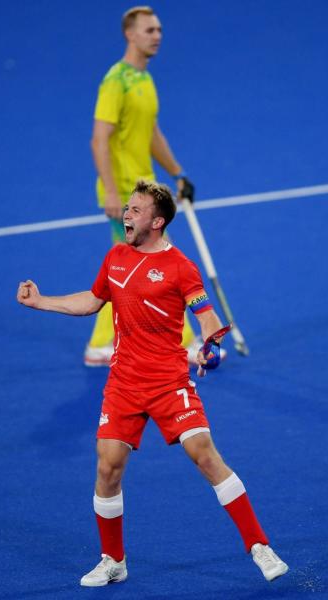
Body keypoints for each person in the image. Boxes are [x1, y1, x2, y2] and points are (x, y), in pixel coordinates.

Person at [17, 181, 288, 585]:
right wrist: (42, 301)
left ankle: (259, 547)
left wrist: (210, 346)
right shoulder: (115, 257)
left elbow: (208, 318)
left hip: (167, 381)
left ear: (157, 221)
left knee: (205, 456)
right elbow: (93, 301)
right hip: (123, 382)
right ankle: (114, 560)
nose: (126, 214)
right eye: (127, 208)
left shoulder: (181, 267)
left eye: (136, 210)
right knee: (108, 468)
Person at [84, 5, 203, 367]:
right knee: (160, 264)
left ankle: (102, 343)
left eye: (159, 30)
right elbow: (99, 139)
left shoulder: (144, 80)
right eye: (150, 30)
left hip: (143, 190)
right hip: (125, 194)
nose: (157, 36)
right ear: (130, 34)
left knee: (128, 268)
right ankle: (183, 343)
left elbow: (151, 134)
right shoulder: (115, 81)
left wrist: (177, 173)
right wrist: (111, 192)